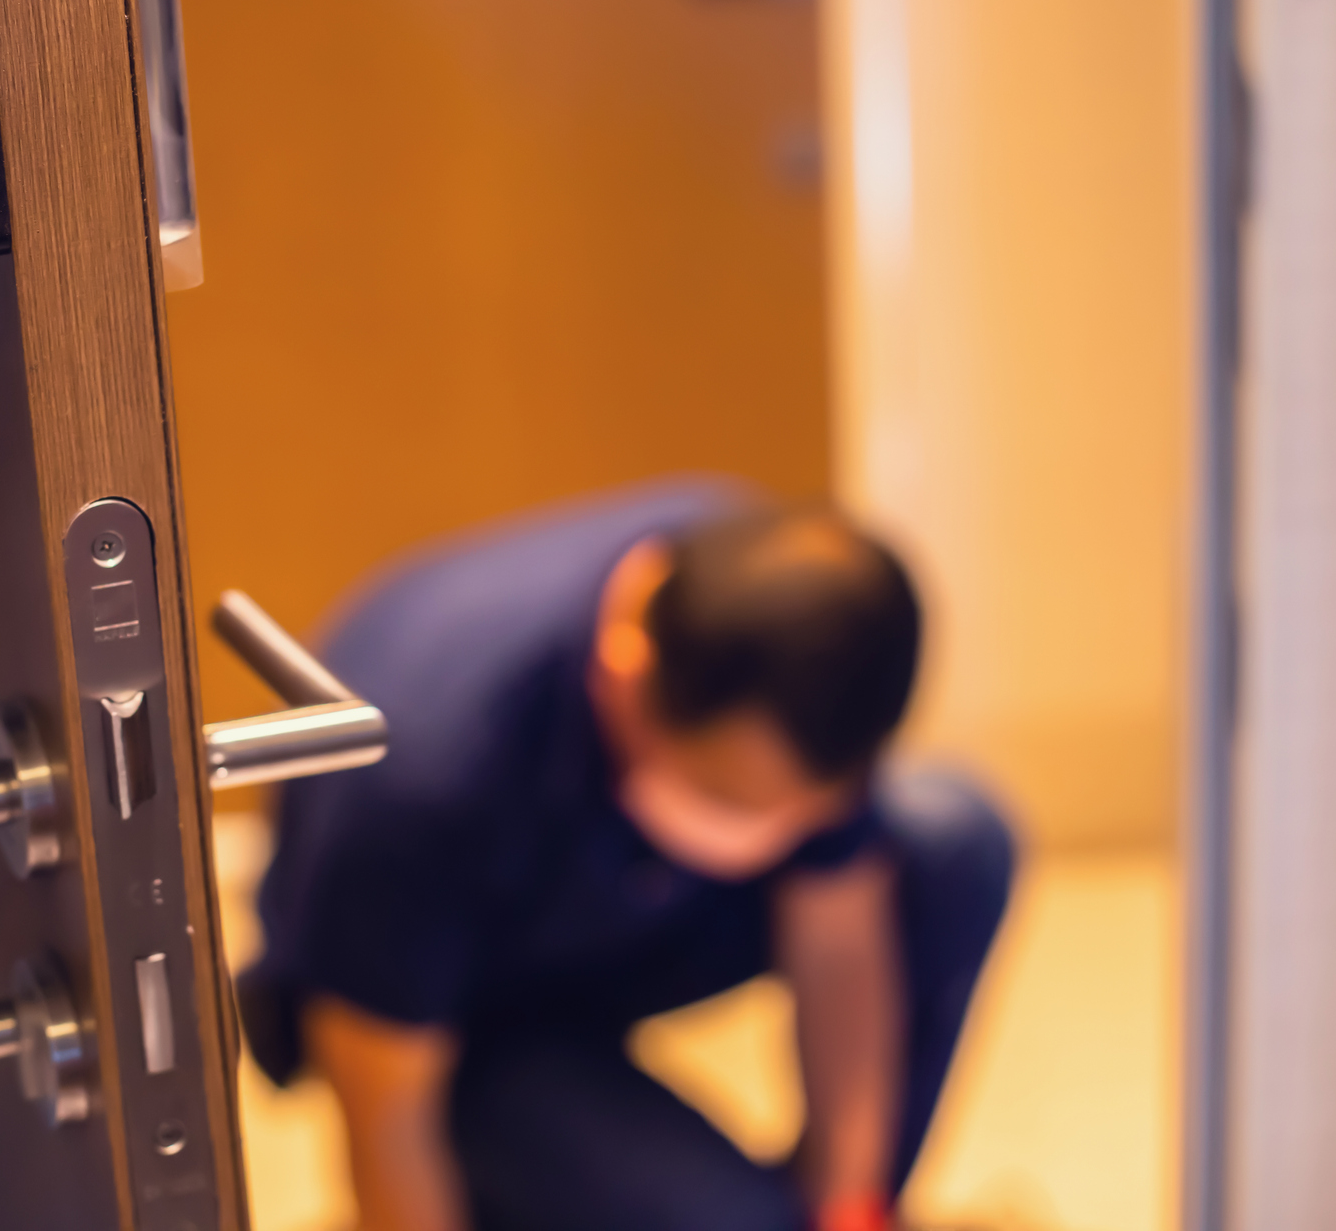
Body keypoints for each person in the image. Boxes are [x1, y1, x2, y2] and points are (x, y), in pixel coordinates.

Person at [238, 479, 1014, 1231]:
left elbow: (837, 931)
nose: (775, 830)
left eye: (801, 814)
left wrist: (848, 1211)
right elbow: (384, 1105)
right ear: (625, 670)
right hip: (456, 1018)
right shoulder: (420, 769)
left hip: (618, 918)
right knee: (726, 1224)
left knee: (954, 843)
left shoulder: (796, 643)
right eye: (733, 799)